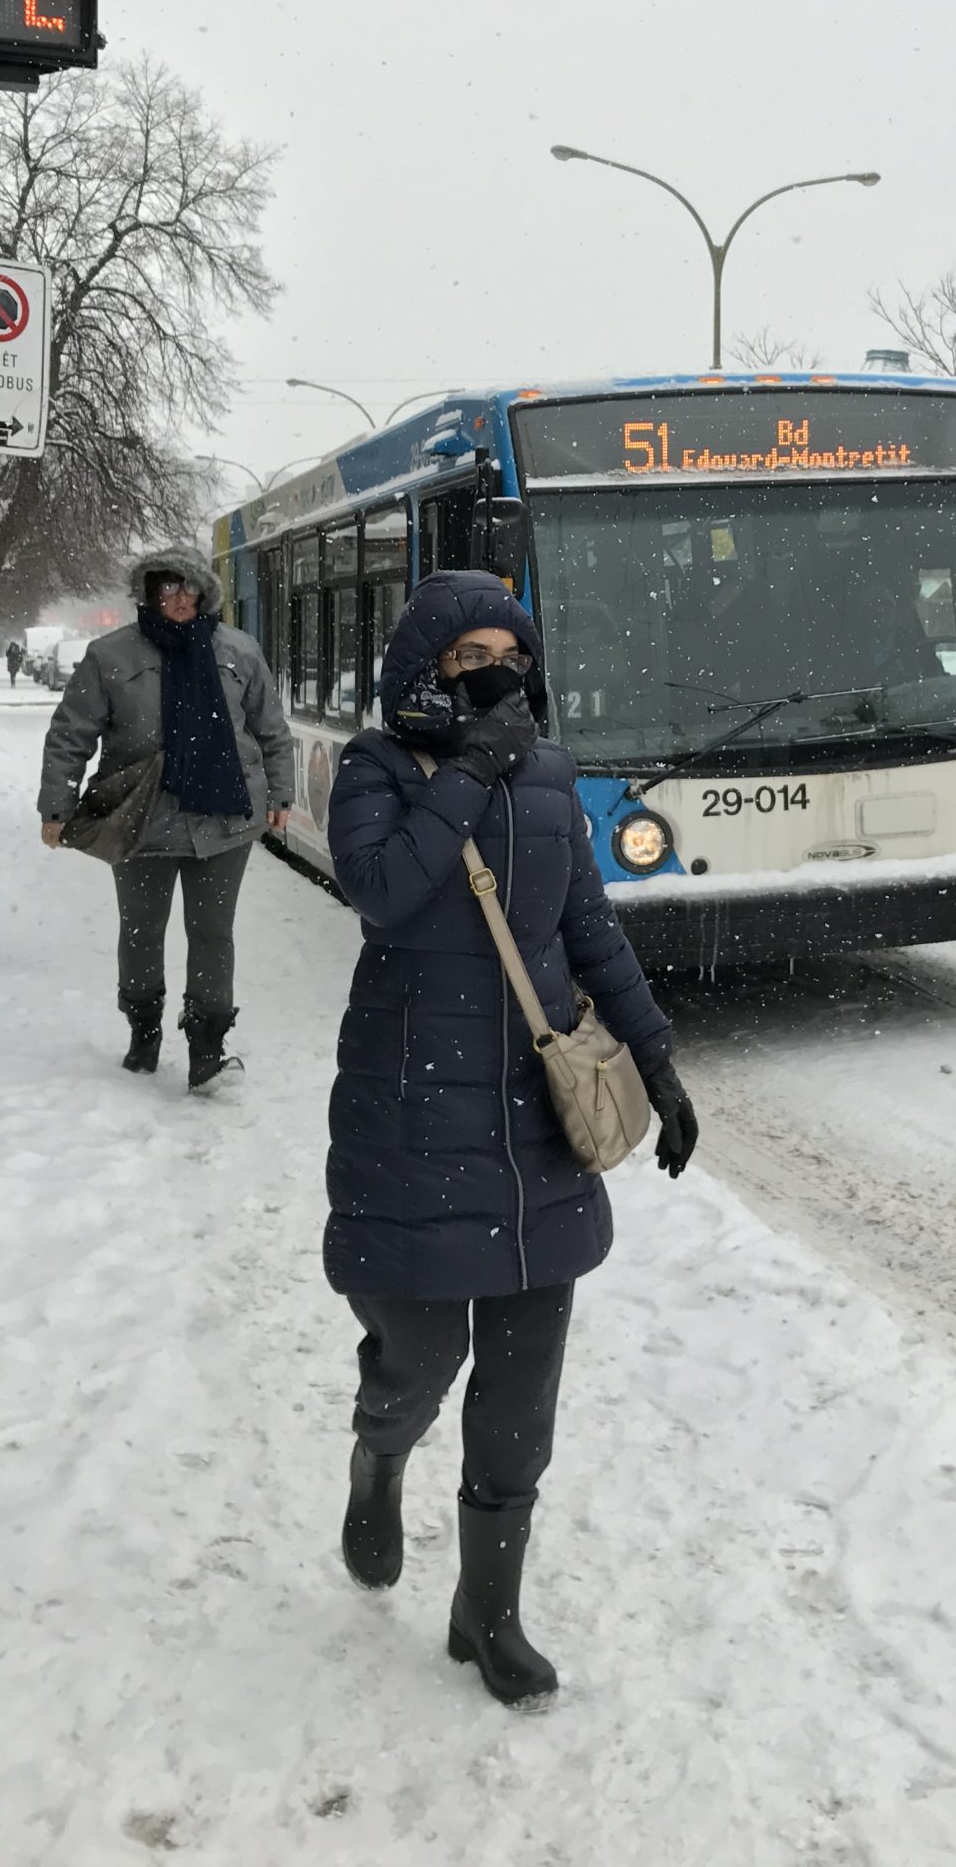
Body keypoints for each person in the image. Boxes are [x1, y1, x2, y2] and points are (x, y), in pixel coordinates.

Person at [323, 568, 697, 1706]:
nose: (497, 674)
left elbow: (589, 927)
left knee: (523, 1389)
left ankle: (486, 1613)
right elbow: (381, 890)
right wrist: (467, 774)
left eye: (511, 655)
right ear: (425, 668)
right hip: (414, 1110)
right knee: (421, 1359)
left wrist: (658, 1060)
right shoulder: (377, 768)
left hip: (537, 1119)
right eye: (470, 656)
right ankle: (381, 1454)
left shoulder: (550, 774)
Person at [37, 550, 294, 1087]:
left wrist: (281, 793)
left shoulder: (239, 651)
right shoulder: (110, 655)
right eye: (168, 588)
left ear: (205, 593)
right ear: (150, 592)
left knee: (212, 933)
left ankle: (207, 1047)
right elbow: (70, 735)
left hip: (224, 820)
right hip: (140, 817)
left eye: (189, 588)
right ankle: (143, 1029)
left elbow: (271, 730)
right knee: (141, 931)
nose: (179, 599)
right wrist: (56, 806)